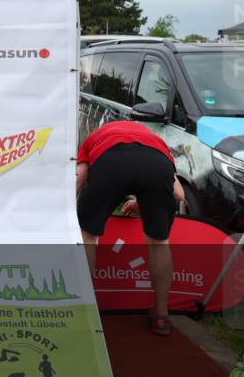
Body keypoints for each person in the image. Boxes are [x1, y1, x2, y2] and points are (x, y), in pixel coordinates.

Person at [76, 120, 185, 336]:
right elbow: (179, 195)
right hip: (156, 165)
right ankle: (161, 315)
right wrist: (142, 204)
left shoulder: (94, 138)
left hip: (110, 161)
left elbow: (79, 180)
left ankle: (84, 309)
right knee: (159, 242)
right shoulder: (156, 142)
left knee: (87, 235)